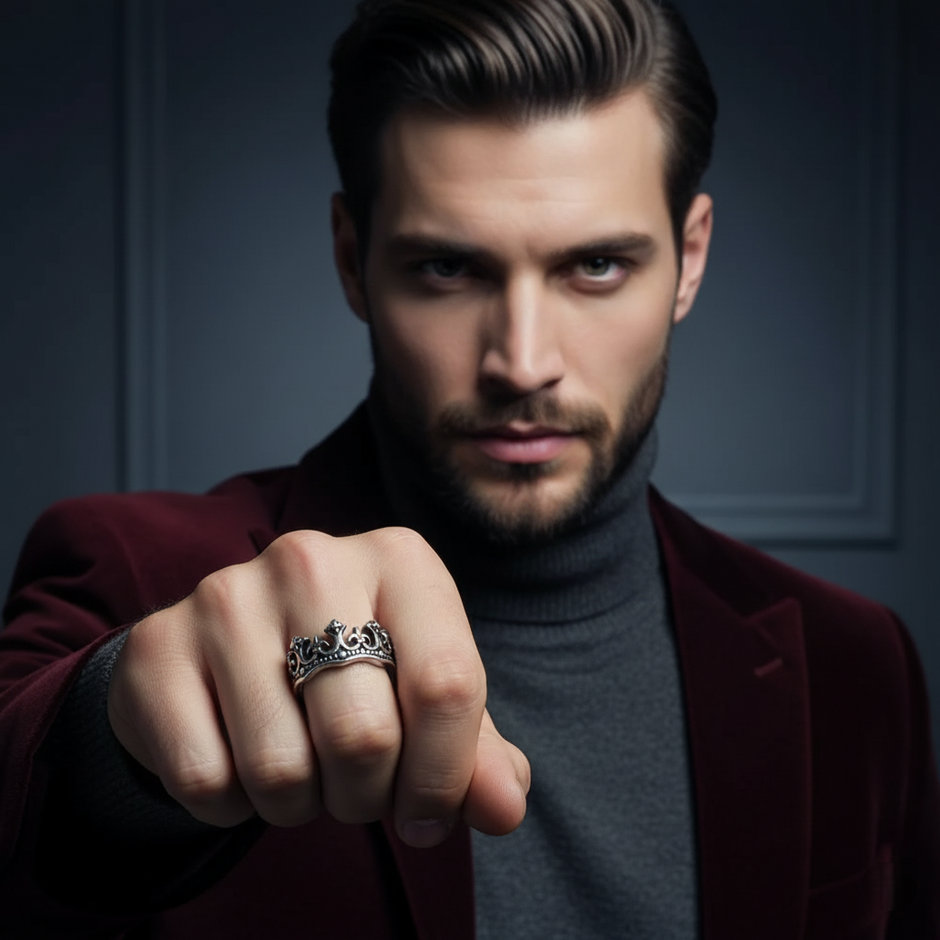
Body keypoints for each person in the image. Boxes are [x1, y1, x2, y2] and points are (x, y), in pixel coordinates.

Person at [1, 0, 938, 936]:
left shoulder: (860, 662)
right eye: (448, 269)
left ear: (689, 260)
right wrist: (120, 738)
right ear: (352, 260)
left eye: (599, 265)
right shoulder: (134, 573)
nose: (522, 361)